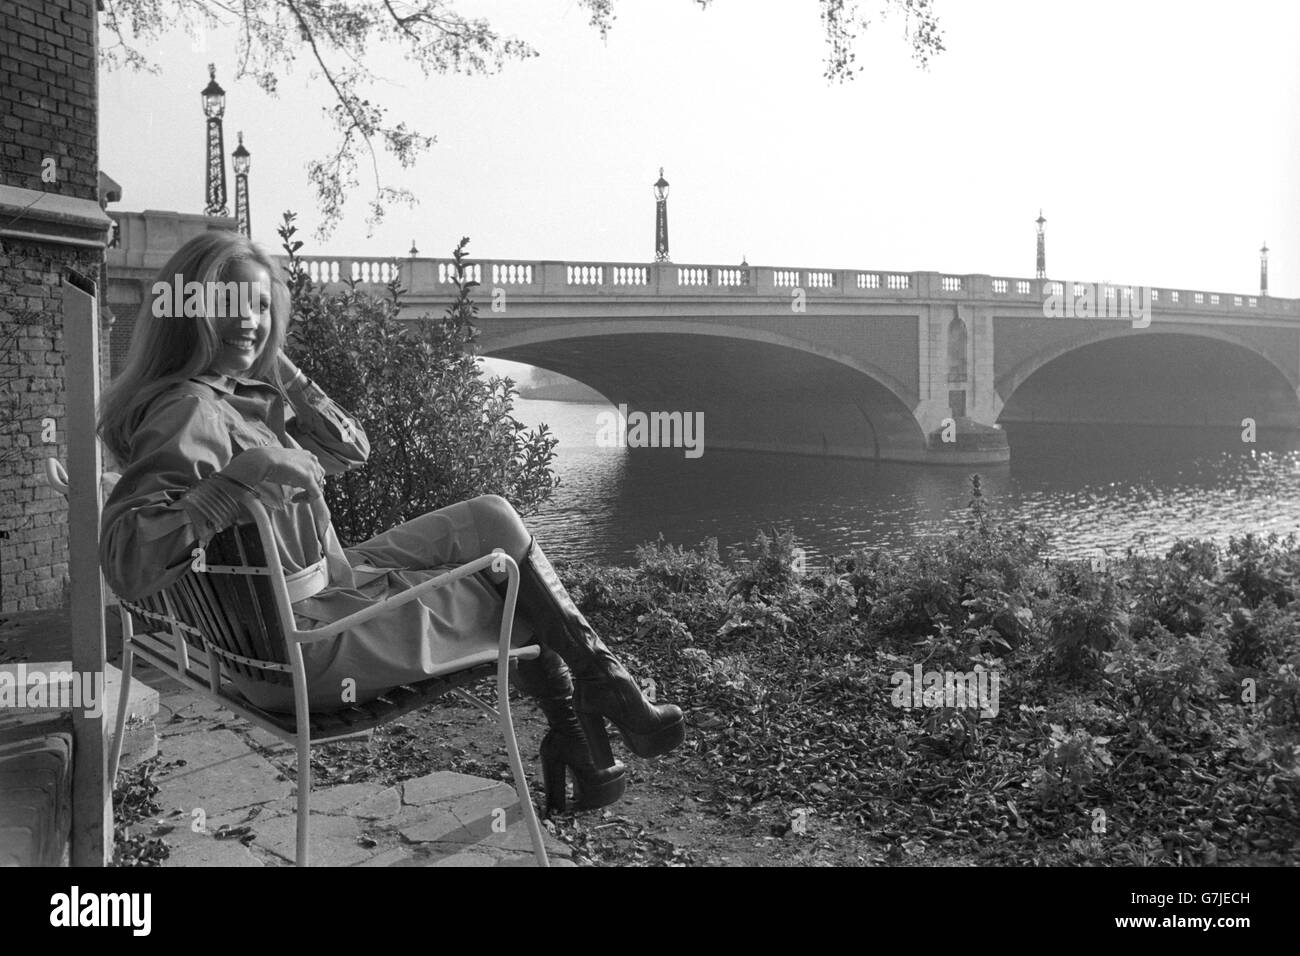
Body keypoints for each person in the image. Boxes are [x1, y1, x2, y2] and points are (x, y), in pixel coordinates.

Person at [97, 230, 684, 813]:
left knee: (491, 518)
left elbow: (353, 449)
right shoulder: (194, 410)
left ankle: (596, 715)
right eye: (230, 306)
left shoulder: (226, 397)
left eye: (261, 306)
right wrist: (241, 477)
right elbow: (127, 558)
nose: (250, 321)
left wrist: (282, 370)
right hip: (309, 648)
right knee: (520, 589)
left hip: (316, 597)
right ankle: (591, 726)